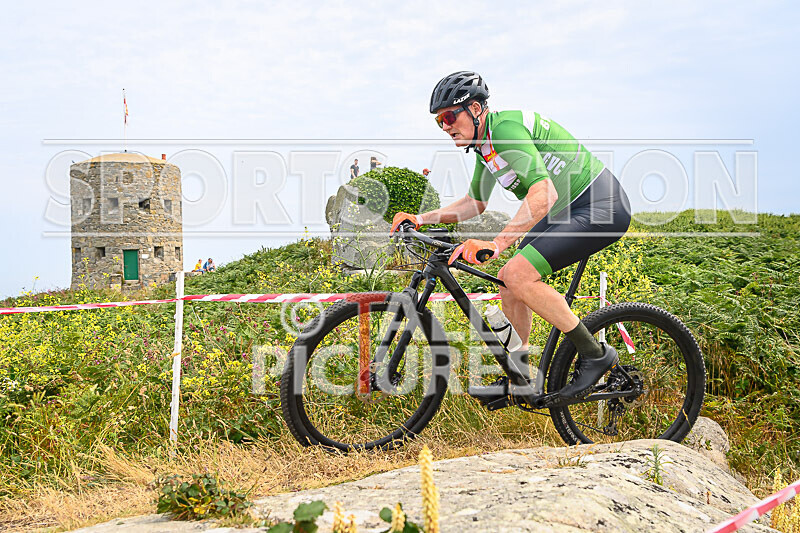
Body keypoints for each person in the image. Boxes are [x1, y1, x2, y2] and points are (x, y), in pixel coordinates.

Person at [390, 71, 631, 399]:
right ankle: (521, 375)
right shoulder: (484, 146)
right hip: (565, 210)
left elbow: (543, 194)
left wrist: (496, 242)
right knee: (508, 279)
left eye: (449, 116)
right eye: (439, 122)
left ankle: (595, 355)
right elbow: (474, 203)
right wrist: (420, 218)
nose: (445, 126)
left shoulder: (504, 131)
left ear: (475, 109)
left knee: (518, 274)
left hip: (599, 205)